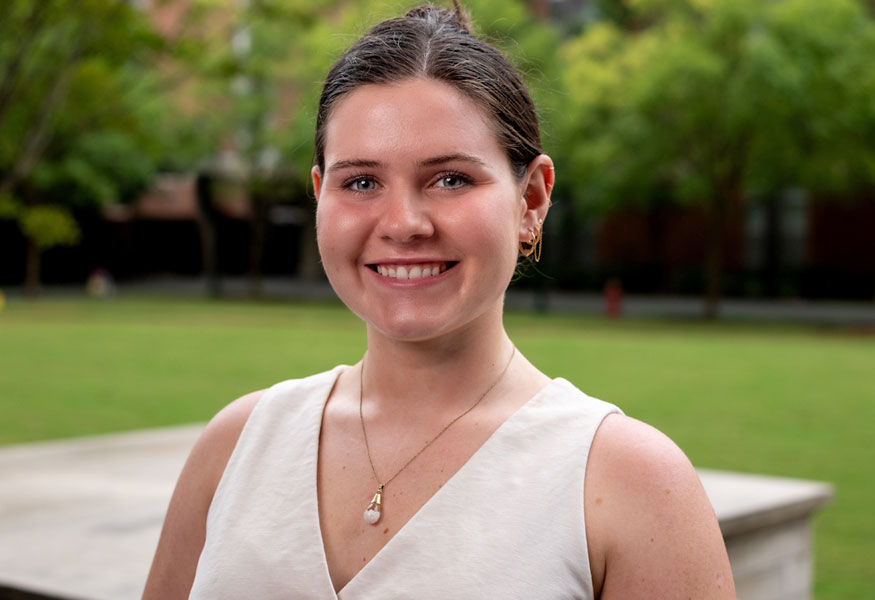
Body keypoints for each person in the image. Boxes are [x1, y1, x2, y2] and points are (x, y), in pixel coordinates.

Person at [143, 3, 735, 598]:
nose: (403, 224)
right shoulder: (238, 444)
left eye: (450, 179)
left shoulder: (628, 482)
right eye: (362, 182)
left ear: (530, 199)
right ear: (320, 196)